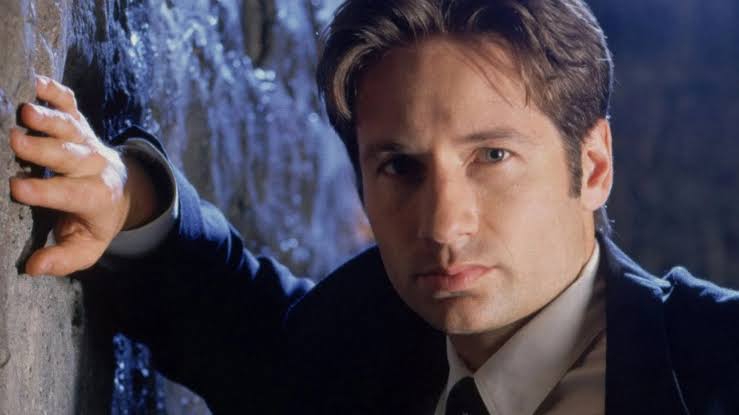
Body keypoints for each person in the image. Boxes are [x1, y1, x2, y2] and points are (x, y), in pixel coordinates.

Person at [8, 0, 739, 413]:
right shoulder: (356, 340)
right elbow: (243, 324)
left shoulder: (716, 359)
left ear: (594, 165)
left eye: (492, 156)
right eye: (399, 167)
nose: (442, 225)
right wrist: (127, 199)